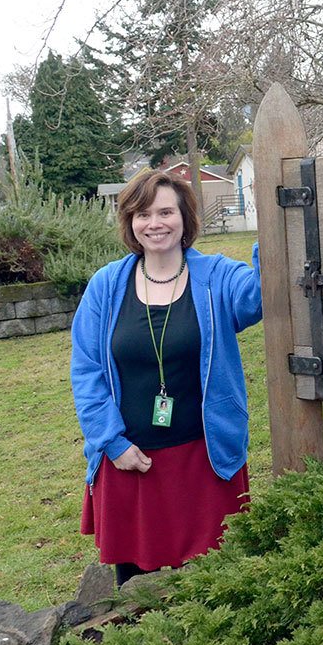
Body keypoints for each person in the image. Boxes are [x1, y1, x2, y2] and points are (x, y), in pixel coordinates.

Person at [70, 170, 262, 586]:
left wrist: (278, 225)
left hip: (205, 462)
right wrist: (112, 442)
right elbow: (86, 371)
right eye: (142, 214)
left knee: (217, 586)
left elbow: (262, 296)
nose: (154, 223)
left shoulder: (217, 277)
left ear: (184, 217)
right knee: (139, 598)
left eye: (165, 211)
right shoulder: (106, 286)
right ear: (130, 223)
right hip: (132, 466)